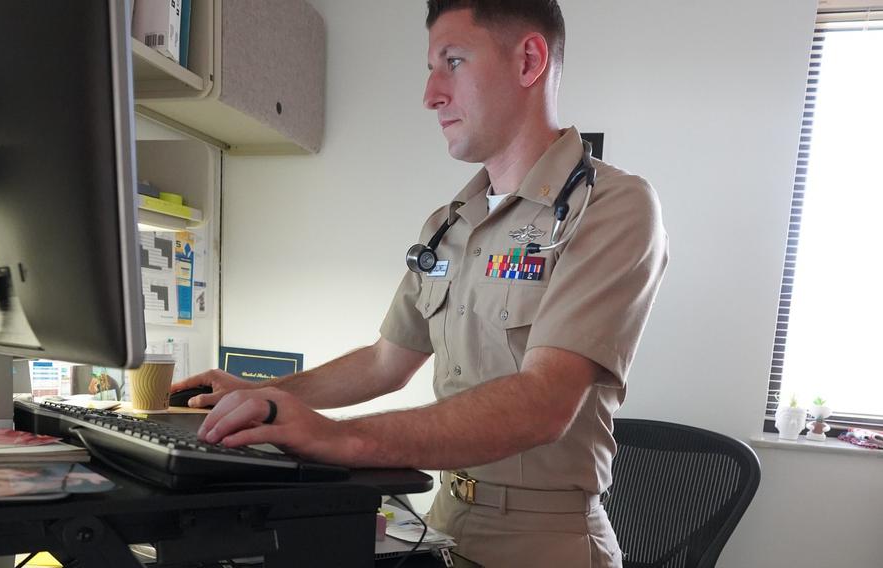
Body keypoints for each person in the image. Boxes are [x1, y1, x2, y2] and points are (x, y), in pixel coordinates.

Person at [171, 1, 668, 565]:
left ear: (529, 60)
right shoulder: (450, 224)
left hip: (544, 540)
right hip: (444, 521)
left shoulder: (611, 205)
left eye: (452, 62)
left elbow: (544, 402)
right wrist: (263, 396)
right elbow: (386, 361)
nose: (430, 94)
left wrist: (341, 439)